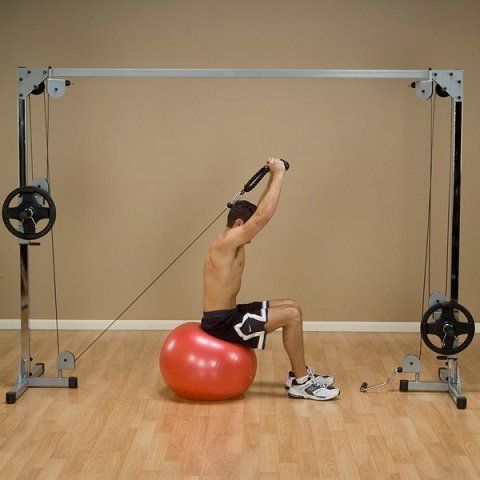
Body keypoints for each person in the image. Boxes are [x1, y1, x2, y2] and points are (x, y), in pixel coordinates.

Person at [201, 157, 339, 401]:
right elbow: (263, 216)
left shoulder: (233, 240)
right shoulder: (224, 243)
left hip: (231, 313)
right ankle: (302, 383)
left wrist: (271, 176)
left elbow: (259, 212)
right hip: (221, 324)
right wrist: (280, 174)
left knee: (292, 306)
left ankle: (296, 374)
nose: (254, 234)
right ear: (239, 223)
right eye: (249, 227)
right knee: (291, 316)